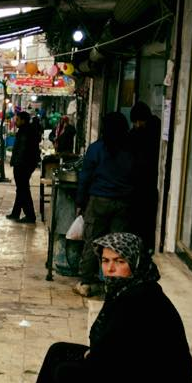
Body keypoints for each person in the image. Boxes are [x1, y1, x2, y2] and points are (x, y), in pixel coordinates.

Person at [35, 232, 192, 383]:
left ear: (135, 262)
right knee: (59, 351)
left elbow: (111, 354)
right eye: (106, 261)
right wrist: (93, 355)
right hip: (139, 376)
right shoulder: (126, 289)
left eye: (120, 262)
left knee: (69, 374)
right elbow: (115, 349)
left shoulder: (140, 298)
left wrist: (92, 357)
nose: (110, 268)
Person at [74, 112, 135, 297]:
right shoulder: (132, 149)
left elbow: (85, 177)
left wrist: (80, 201)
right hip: (123, 202)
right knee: (117, 245)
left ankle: (86, 282)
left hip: (99, 201)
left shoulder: (97, 148)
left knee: (93, 242)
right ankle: (114, 284)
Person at [129, 102, 161, 253]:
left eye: (136, 121)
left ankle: (139, 247)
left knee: (139, 219)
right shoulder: (158, 129)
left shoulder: (138, 135)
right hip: (153, 182)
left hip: (140, 184)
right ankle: (147, 246)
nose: (135, 124)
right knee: (149, 219)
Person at [6, 111, 41, 223]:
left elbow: (22, 150)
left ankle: (30, 215)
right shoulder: (26, 130)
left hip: (23, 164)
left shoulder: (26, 132)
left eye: (17, 120)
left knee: (23, 189)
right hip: (26, 163)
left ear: (23, 120)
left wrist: (17, 163)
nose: (15, 122)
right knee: (21, 189)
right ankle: (16, 213)